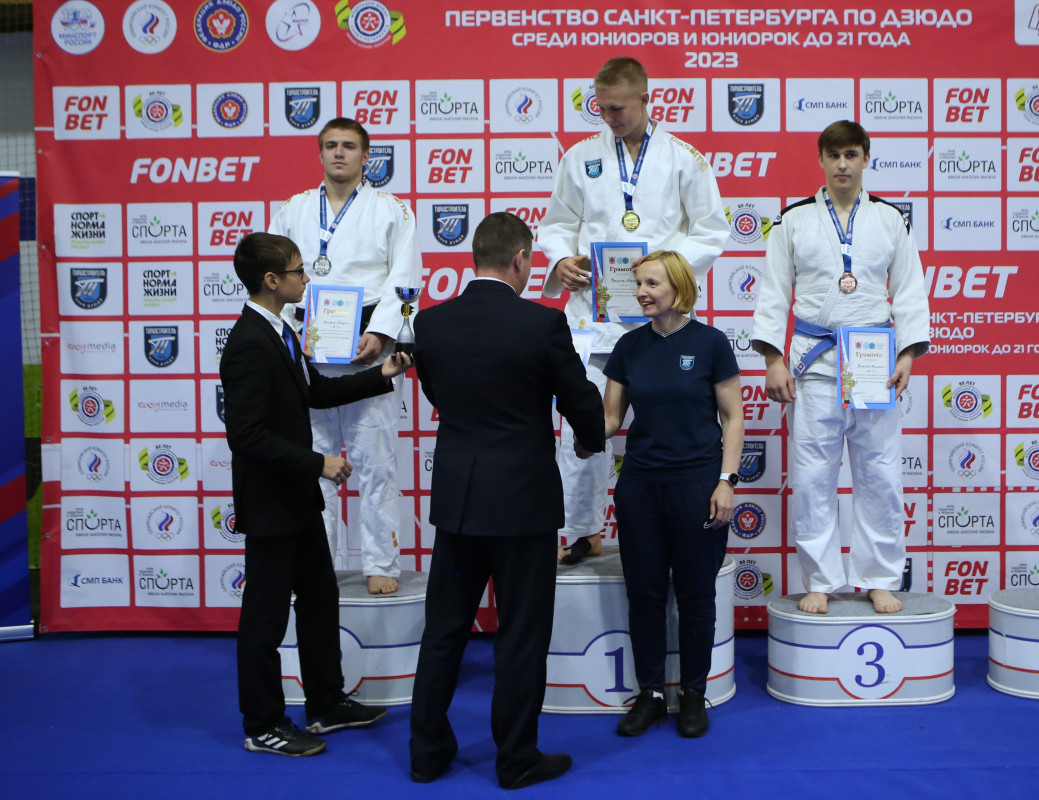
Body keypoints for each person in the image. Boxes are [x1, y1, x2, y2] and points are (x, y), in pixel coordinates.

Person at [408, 213, 604, 789]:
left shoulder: (430, 322)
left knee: (444, 630)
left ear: (476, 257)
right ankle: (516, 760)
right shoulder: (540, 324)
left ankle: (426, 755)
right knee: (520, 633)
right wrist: (592, 438)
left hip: (459, 502)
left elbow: (437, 393)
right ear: (520, 260)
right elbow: (580, 401)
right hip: (522, 504)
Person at [538, 56, 729, 565]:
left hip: (661, 322)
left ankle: (683, 526)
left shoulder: (684, 159)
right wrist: (561, 258)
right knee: (581, 427)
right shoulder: (580, 157)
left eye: (618, 108)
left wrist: (667, 273)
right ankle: (581, 530)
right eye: (601, 109)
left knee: (671, 427)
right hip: (594, 319)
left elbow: (712, 230)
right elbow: (557, 223)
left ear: (646, 99)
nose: (609, 117)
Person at [222, 232, 407, 756]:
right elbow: (246, 436)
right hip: (271, 503)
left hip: (298, 499)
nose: (307, 279)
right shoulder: (248, 343)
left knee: (320, 600)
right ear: (271, 280)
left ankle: (325, 702)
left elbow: (315, 392)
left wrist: (381, 374)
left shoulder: (282, 330)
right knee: (264, 618)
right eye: (299, 271)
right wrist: (318, 463)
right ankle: (262, 723)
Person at [750, 120, 931, 615]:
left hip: (873, 362)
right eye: (833, 155)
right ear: (821, 159)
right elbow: (773, 293)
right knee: (812, 478)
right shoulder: (793, 220)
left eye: (851, 155)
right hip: (813, 362)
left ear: (866, 158)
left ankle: (879, 576)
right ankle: (821, 579)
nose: (842, 165)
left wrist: (907, 354)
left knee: (880, 475)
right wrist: (773, 358)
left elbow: (910, 291)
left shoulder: (890, 220)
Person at [268, 117, 420, 595]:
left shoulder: (392, 211)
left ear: (366, 156)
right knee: (314, 465)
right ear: (319, 153)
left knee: (376, 465)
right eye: (331, 145)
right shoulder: (292, 210)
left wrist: (381, 332)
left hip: (367, 353)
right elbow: (272, 277)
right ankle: (318, 564)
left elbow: (405, 279)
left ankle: (381, 563)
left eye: (349, 146)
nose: (339, 153)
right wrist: (288, 336)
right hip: (309, 352)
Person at [601, 251, 743, 738]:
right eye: (639, 283)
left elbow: (734, 418)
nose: (641, 292)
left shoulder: (711, 343)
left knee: (696, 596)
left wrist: (726, 481)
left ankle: (694, 695)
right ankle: (651, 695)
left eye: (651, 283)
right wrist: (579, 426)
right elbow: (611, 419)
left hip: (698, 486)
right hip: (640, 487)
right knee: (644, 595)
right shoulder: (627, 346)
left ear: (678, 288)